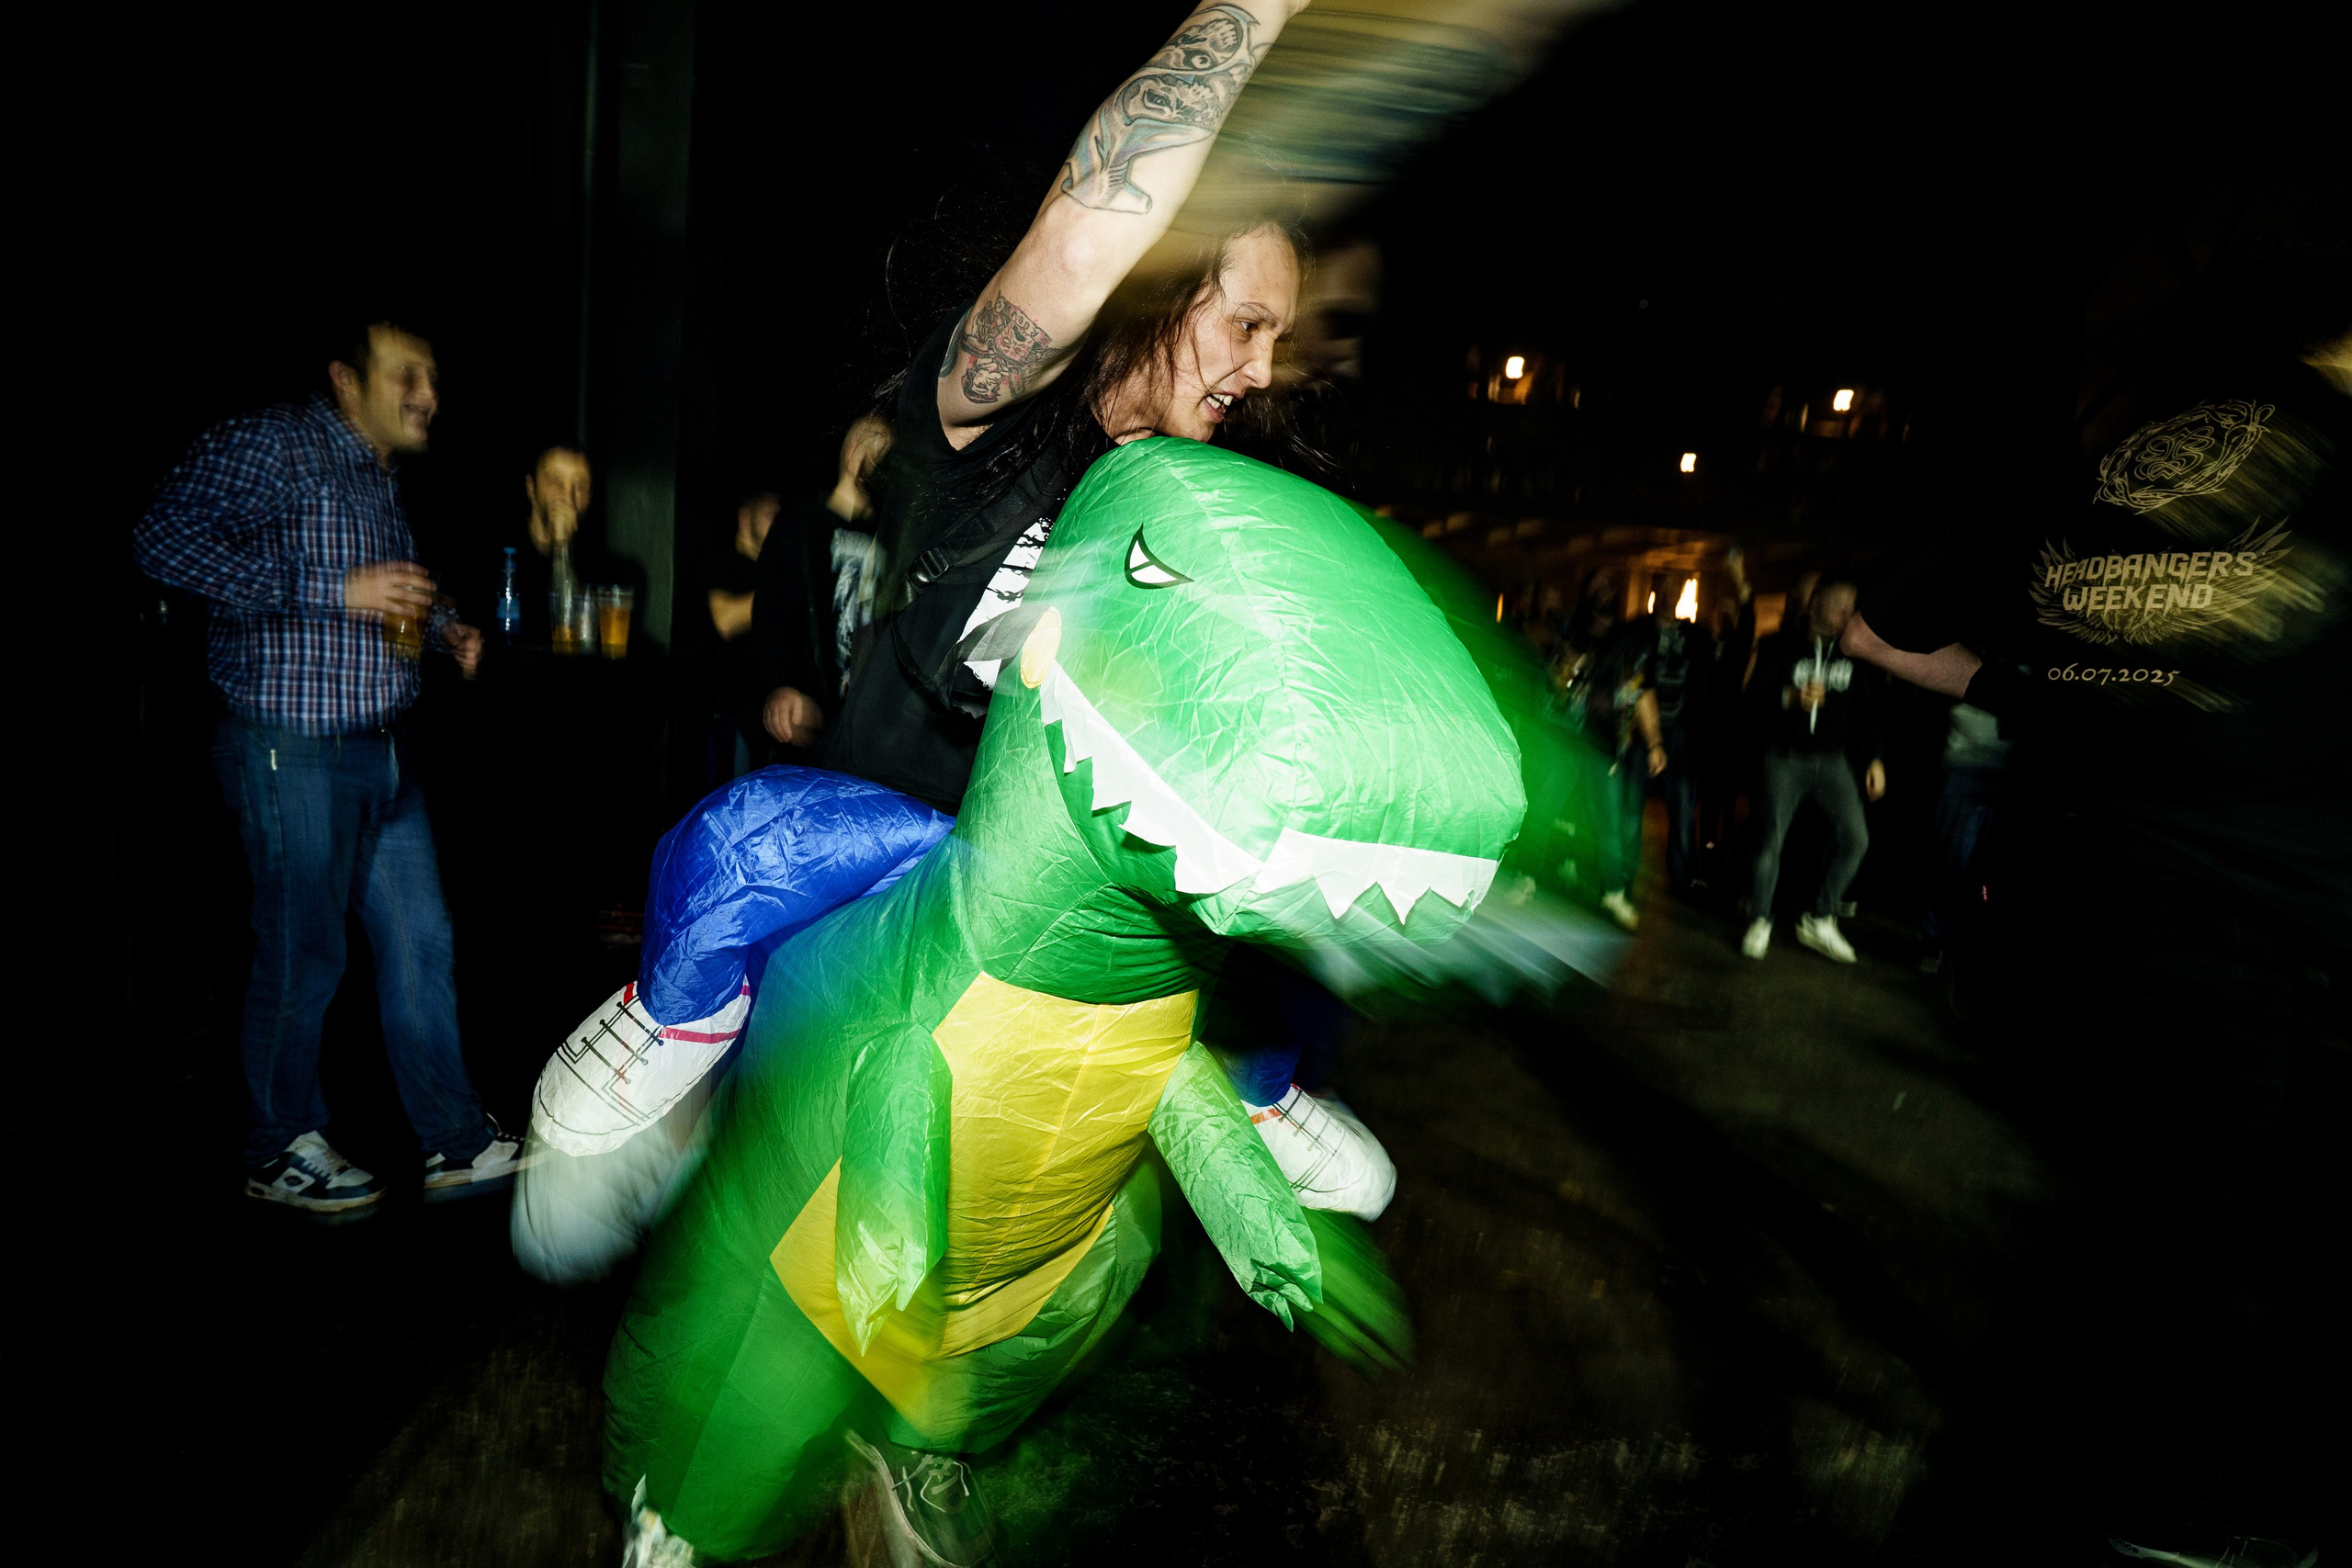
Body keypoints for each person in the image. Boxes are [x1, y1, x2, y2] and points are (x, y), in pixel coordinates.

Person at [1841, 283, 2348, 1560]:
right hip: (2261, 918)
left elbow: (1884, 625)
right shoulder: (2332, 460)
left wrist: (2043, 671)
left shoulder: (2091, 478)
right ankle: (2182, 1516)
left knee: (2155, 1222)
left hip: (2082, 906)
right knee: (2205, 1235)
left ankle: (2149, 1490)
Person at [132, 316, 521, 1212]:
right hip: (291, 747)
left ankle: (455, 1142)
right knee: (304, 950)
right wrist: (330, 590)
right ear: (347, 380)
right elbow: (159, 538)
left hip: (384, 750)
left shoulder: (378, 476)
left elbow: (386, 597)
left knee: (423, 945)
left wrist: (445, 629)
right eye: (407, 375)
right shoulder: (273, 443)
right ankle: (277, 1148)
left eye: (433, 376)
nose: (429, 395)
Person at [1739, 579, 1884, 962]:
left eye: (1851, 607)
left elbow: (1868, 710)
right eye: (1838, 605)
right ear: (1815, 604)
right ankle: (1759, 918)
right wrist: (1788, 697)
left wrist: (1876, 758)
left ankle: (1821, 918)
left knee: (1856, 838)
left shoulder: (1853, 655)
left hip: (1832, 760)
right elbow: (1751, 700)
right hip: (1784, 757)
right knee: (1771, 840)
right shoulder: (1778, 646)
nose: (1846, 615)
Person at [754, 411, 892, 752]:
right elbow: (772, 611)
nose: (885, 457)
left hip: (866, 726)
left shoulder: (890, 538)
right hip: (813, 714)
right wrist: (781, 686)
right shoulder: (802, 524)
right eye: (878, 444)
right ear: (854, 447)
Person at [1548, 563, 1667, 931]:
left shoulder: (1628, 641)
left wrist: (1655, 743)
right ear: (1586, 593)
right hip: (1565, 738)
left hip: (1604, 745)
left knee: (1610, 823)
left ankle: (1613, 893)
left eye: (1609, 585)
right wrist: (1567, 672)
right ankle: (1527, 875)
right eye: (1597, 585)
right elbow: (1554, 684)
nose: (1604, 591)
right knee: (1546, 806)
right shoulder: (1571, 635)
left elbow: (1643, 692)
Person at [506, 446, 645, 649]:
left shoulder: (610, 569)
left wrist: (562, 546)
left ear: (589, 497)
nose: (567, 497)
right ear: (531, 486)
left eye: (579, 486)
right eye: (555, 482)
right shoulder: (503, 553)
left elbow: (581, 639)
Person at [1916, 699, 2005, 975]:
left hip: (2006, 771)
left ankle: (1966, 944)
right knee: (1952, 861)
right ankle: (1933, 940)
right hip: (1965, 766)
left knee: (1989, 868)